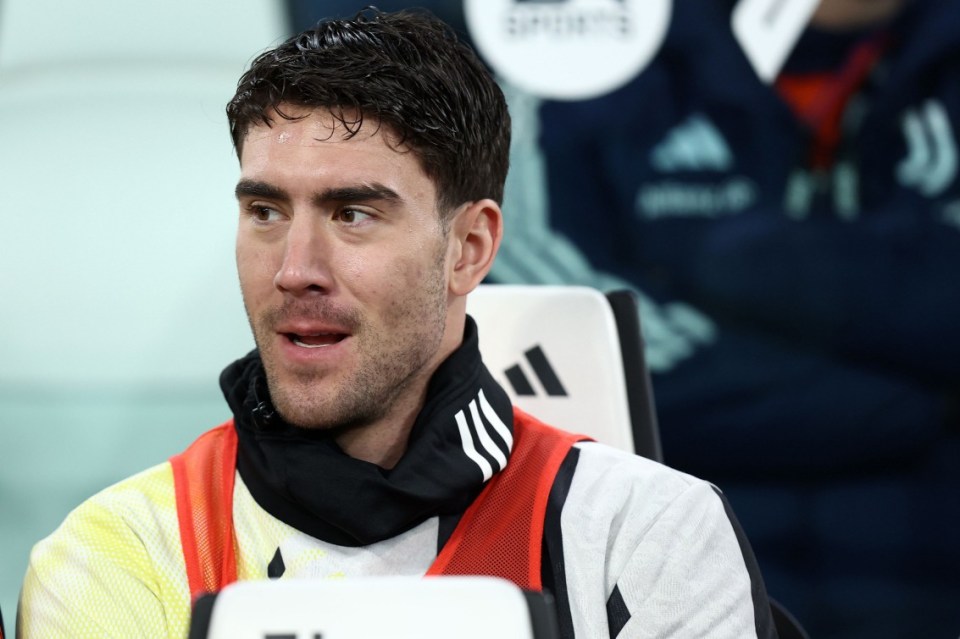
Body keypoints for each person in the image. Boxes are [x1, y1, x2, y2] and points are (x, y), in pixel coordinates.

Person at [17, 9, 777, 639]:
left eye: (352, 213)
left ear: (468, 248)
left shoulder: (645, 536)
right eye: (266, 211)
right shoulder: (112, 555)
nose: (294, 267)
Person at [492, 0, 960, 637]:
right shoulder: (582, 53)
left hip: (926, 574)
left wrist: (735, 263)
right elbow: (573, 343)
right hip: (674, 582)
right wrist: (920, 402)